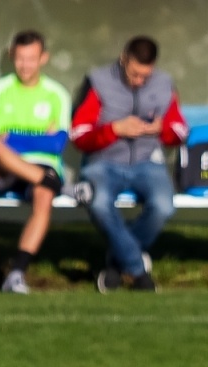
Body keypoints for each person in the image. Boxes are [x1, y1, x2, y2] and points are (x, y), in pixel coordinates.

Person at [69, 36, 187, 293]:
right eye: (135, 74)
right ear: (124, 59)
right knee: (98, 204)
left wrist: (161, 129)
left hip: (148, 163)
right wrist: (114, 130)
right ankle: (137, 270)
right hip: (104, 162)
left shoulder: (165, 84)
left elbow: (180, 130)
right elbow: (78, 135)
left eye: (145, 76)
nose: (139, 81)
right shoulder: (98, 82)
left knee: (164, 206)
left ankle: (116, 261)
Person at [0, 30, 73, 295]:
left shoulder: (57, 94)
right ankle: (52, 182)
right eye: (19, 58)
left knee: (43, 195)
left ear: (43, 58)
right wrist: (36, 137)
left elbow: (57, 144)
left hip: (41, 165)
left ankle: (16, 273)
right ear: (11, 57)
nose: (25, 65)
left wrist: (13, 138)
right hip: (2, 167)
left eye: (31, 59)